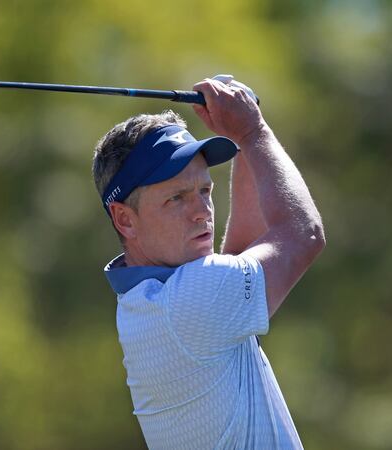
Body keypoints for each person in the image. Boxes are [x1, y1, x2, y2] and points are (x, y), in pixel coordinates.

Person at [92, 75, 325, 449]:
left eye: (205, 190)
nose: (202, 212)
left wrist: (239, 137)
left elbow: (239, 256)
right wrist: (252, 131)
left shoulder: (152, 300)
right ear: (124, 219)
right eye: (177, 199)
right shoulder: (187, 302)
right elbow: (303, 235)